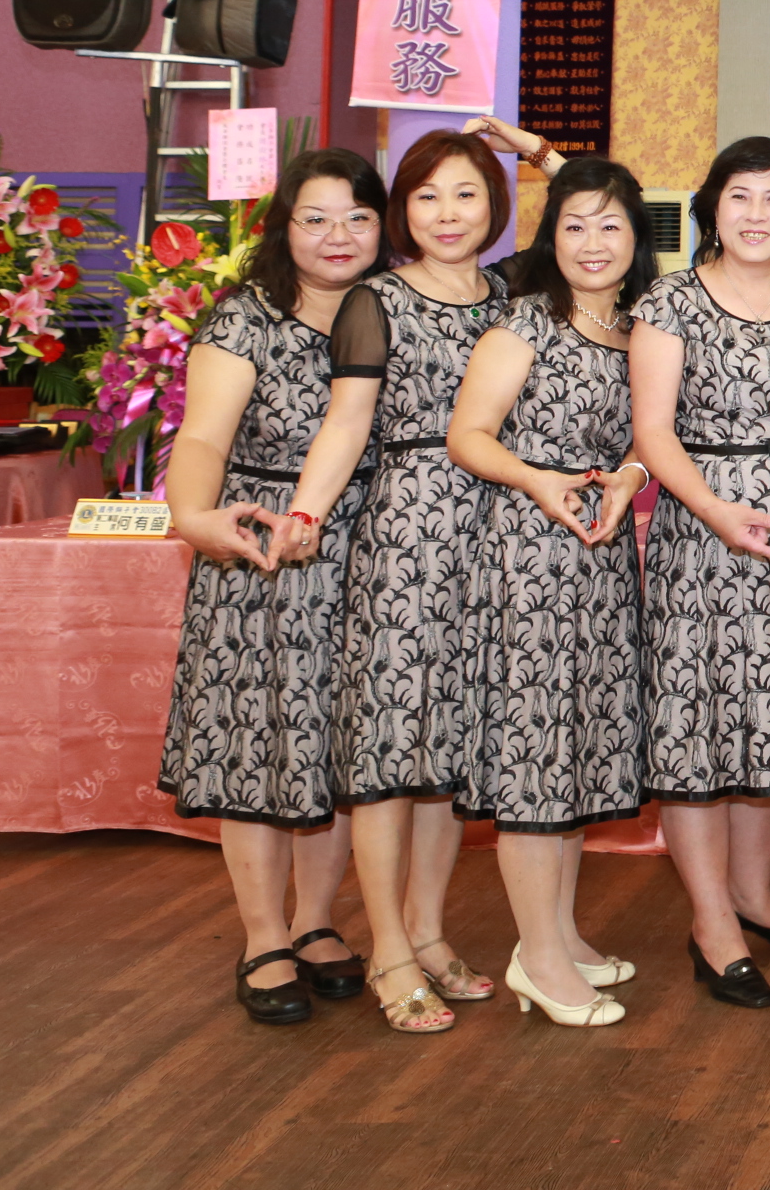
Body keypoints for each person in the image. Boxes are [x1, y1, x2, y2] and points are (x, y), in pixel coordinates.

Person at [282, 128, 512, 1035]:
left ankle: (428, 931)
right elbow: (346, 423)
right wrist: (305, 515)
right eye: (426, 196)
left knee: (448, 753)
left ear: (495, 204)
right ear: (401, 212)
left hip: (499, 538)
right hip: (407, 540)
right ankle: (386, 949)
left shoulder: (513, 297)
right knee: (388, 752)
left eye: (466, 194)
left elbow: (607, 213)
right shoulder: (374, 299)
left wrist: (532, 146)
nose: (447, 214)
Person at [628, 137, 770, 1009]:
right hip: (705, 535)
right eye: (740, 196)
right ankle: (711, 922)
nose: (757, 214)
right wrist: (719, 512)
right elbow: (653, 430)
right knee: (700, 727)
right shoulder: (670, 301)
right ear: (711, 210)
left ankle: (755, 897)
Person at [158, 148, 390, 1025]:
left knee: (339, 744)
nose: (338, 236)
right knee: (253, 745)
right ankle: (263, 936)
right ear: (283, 228)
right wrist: (194, 516)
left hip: (369, 552)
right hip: (259, 550)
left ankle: (315, 921)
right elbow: (201, 439)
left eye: (358, 217)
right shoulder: (245, 319)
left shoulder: (398, 308)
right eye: (315, 218)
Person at [445, 158, 658, 1028]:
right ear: (550, 238)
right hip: (529, 562)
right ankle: (535, 956)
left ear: (637, 237)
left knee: (576, 748)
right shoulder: (526, 323)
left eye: (610, 224)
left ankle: (559, 934)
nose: (591, 242)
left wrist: (630, 476)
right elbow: (468, 435)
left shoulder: (639, 330)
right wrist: (538, 480)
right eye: (573, 225)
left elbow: (652, 439)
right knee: (536, 755)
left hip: (599, 562)